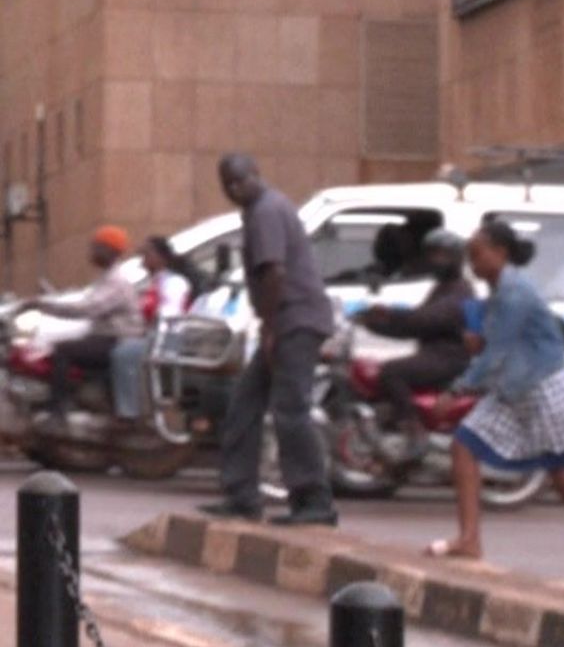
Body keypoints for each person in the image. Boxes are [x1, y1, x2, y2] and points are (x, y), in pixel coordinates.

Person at [430, 219, 564, 589]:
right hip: (515, 392)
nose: (472, 264)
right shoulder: (499, 294)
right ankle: (469, 539)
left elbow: (497, 354)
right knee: (464, 445)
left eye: (478, 255)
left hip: (546, 391)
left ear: (500, 254)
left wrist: (456, 390)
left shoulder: (516, 293)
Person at [199, 155, 338, 525]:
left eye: (239, 181)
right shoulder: (263, 209)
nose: (233, 189)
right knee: (245, 402)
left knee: (290, 410)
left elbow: (274, 272)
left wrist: (270, 326)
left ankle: (314, 501)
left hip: (295, 321)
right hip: (287, 320)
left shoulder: (266, 211)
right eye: (226, 184)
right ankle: (242, 495)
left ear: (256, 175)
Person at [352, 229, 474, 463]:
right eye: (433, 254)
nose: (436, 260)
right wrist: (383, 315)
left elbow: (422, 321)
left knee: (391, 371)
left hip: (448, 358)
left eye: (442, 255)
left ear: (456, 258)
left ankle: (413, 431)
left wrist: (380, 323)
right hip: (437, 354)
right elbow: (417, 317)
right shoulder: (444, 288)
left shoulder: (459, 291)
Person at [28, 226, 142, 424]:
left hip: (118, 340)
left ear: (110, 251)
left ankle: (59, 411)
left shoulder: (117, 282)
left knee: (62, 351)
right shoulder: (106, 278)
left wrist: (42, 306)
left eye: (96, 247)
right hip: (107, 337)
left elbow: (88, 308)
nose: (92, 252)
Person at [107, 235, 197, 425]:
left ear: (161, 258)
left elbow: (170, 314)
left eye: (147, 254)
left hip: (168, 339)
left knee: (123, 353)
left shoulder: (174, 282)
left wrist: (152, 334)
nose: (143, 259)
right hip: (154, 335)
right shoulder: (152, 284)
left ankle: (129, 413)